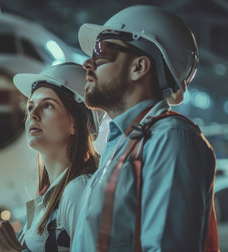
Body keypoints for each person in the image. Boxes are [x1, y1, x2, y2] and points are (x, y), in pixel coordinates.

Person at [72, 5, 218, 251]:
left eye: (101, 52)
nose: (88, 63)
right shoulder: (122, 145)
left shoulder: (169, 137)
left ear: (139, 67)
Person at [0, 62, 105, 251]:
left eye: (47, 105)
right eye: (30, 107)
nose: (33, 115)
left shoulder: (79, 190)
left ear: (76, 124)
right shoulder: (46, 200)